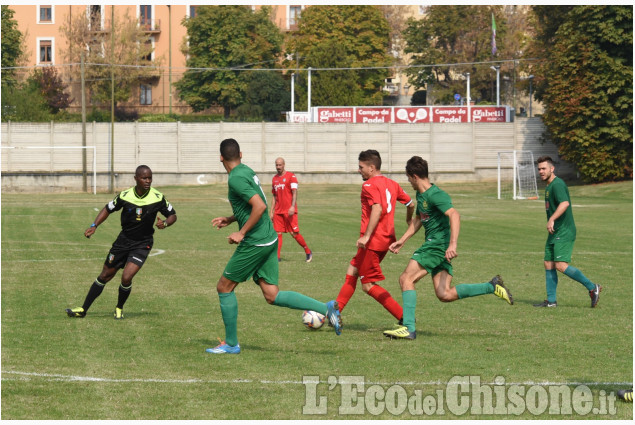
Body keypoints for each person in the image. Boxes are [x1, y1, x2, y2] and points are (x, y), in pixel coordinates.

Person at [207, 138, 342, 354]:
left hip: (255, 241)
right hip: (269, 238)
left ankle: (231, 344)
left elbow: (260, 206)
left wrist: (241, 232)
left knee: (224, 287)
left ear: (221, 157)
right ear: (240, 154)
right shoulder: (246, 171)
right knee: (272, 295)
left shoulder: (235, 179)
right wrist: (232, 219)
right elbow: (254, 203)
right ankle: (325, 307)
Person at [383, 156, 513, 340]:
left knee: (406, 278)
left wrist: (452, 244)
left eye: (408, 178)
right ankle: (492, 286)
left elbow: (454, 215)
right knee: (444, 293)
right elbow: (420, 218)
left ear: (414, 176)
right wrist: (403, 240)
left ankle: (408, 328)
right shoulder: (422, 195)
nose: (408, 181)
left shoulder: (436, 195)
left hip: (436, 245)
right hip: (437, 247)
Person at [65, 165, 177, 320]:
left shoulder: (158, 197)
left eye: (150, 178)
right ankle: (83, 309)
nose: (148, 181)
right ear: (136, 179)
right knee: (105, 275)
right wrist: (94, 225)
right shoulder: (124, 196)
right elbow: (107, 209)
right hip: (123, 242)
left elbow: (172, 215)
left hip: (142, 243)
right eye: (144, 178)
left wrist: (165, 223)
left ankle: (119, 307)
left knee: (126, 277)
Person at [335, 150, 415, 325]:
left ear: (371, 168)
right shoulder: (392, 184)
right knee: (352, 269)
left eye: (361, 167)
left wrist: (366, 236)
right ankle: (335, 312)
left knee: (368, 285)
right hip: (385, 239)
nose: (359, 170)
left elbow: (377, 209)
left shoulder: (369, 185)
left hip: (373, 241)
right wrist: (409, 219)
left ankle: (405, 318)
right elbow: (411, 203)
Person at [533, 156, 602, 308]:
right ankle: (551, 301)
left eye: (544, 168)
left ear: (552, 169)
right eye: (539, 169)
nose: (541, 171)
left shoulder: (557, 185)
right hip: (555, 231)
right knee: (548, 263)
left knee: (560, 265)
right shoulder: (549, 186)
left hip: (564, 231)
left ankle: (592, 287)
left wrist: (551, 219)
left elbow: (565, 204)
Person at [270, 157, 313, 262]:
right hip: (278, 211)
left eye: (280, 165)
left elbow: (294, 192)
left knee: (294, 234)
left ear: (284, 164)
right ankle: (277, 257)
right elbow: (274, 196)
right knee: (277, 233)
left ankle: (307, 251)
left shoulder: (291, 176)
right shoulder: (274, 179)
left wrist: (292, 206)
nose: (278, 167)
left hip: (289, 211)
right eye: (276, 165)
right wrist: (271, 211)